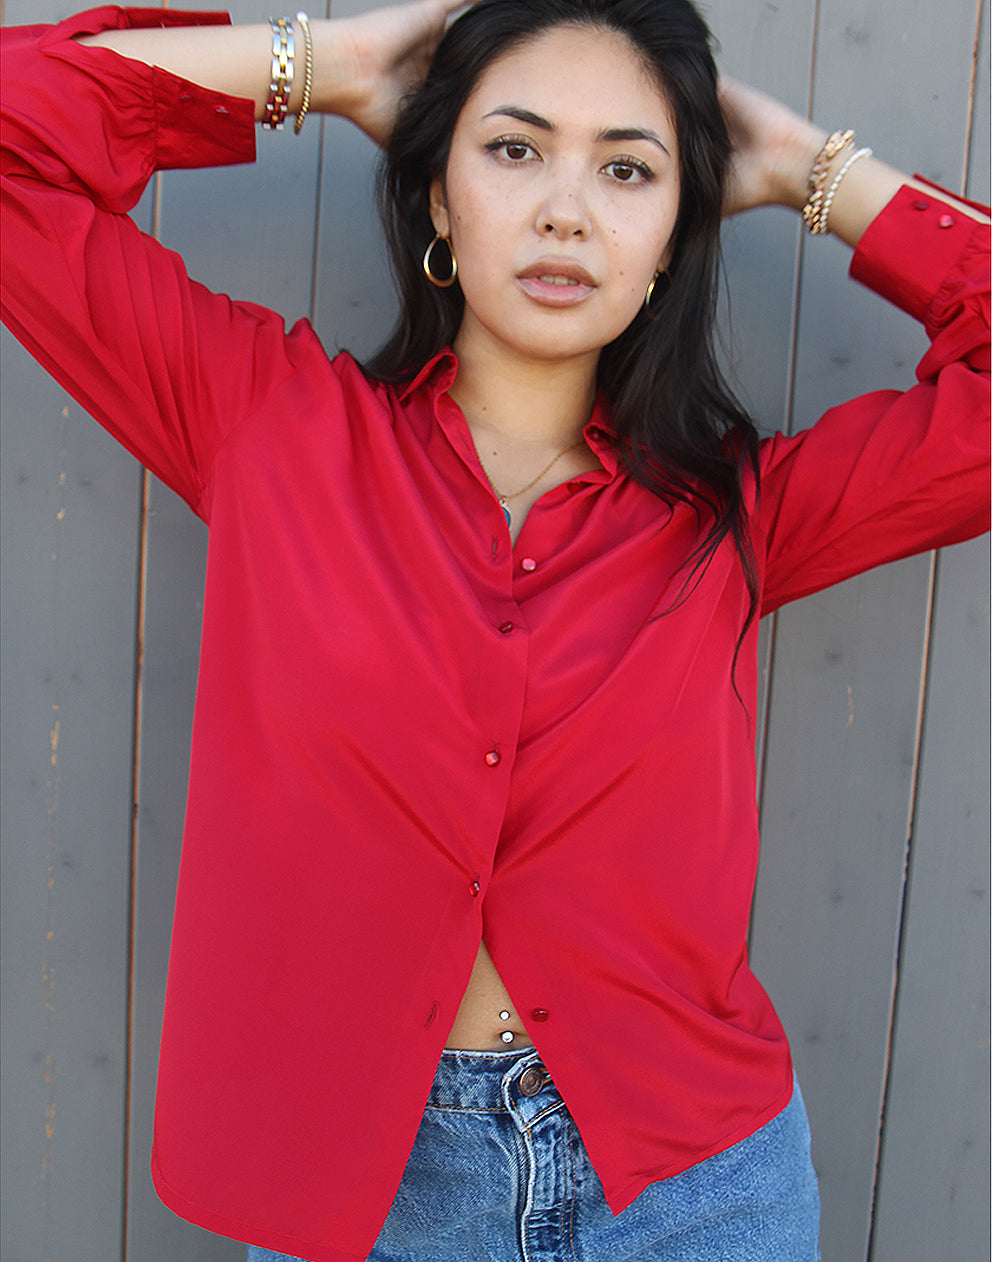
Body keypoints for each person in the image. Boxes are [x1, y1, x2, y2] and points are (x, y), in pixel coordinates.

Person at [1, 0, 988, 1259]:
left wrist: (810, 170)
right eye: (513, 149)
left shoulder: (741, 515)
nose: (566, 209)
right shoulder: (268, 427)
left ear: (671, 242)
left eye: (627, 171)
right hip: (369, 1187)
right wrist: (328, 69)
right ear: (436, 198)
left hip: (693, 1185)